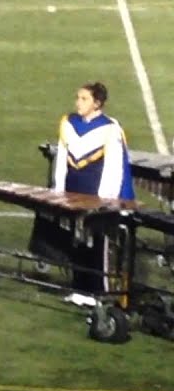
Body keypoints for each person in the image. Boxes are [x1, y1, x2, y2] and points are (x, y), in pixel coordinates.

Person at [50, 82, 134, 297]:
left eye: (84, 99)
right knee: (77, 240)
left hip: (95, 193)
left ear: (97, 103)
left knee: (97, 243)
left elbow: (114, 168)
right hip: (72, 190)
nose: (78, 102)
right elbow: (61, 160)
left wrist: (106, 200)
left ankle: (97, 291)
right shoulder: (69, 123)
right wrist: (58, 189)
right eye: (77, 98)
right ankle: (79, 288)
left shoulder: (110, 129)